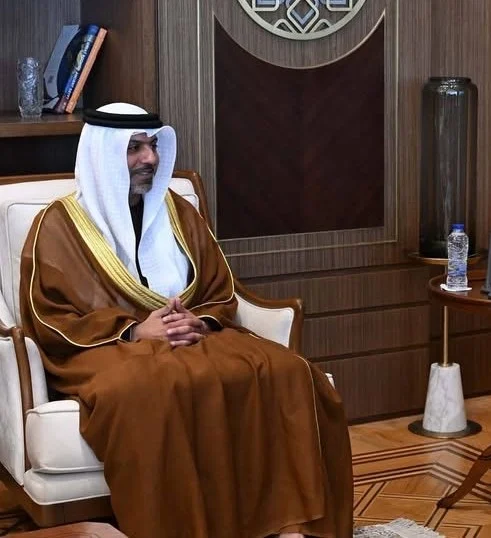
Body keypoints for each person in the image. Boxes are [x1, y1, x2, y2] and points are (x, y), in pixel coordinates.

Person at [19, 103, 353, 538]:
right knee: (146, 389)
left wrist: (201, 322)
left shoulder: (177, 211)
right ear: (103, 155)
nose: (150, 158)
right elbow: (50, 313)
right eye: (135, 148)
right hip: (104, 346)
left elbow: (218, 287)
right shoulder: (59, 224)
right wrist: (135, 330)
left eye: (153, 146)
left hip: (192, 333)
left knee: (289, 370)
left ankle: (293, 526)